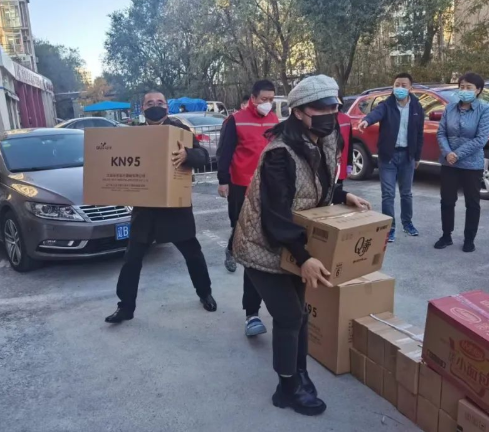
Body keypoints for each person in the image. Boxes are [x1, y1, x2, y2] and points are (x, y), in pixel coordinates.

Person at [233, 75, 371, 416]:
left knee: (300, 314)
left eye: (333, 107)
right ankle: (286, 388)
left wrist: (343, 195)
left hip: (292, 239)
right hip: (262, 245)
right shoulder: (279, 154)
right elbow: (275, 215)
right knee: (289, 315)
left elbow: (320, 184)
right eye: (320, 108)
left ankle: (300, 373)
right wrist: (304, 257)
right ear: (298, 112)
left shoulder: (327, 138)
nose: (329, 114)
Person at [105, 91, 218, 324]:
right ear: (142, 108)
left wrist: (187, 154)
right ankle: (125, 307)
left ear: (167, 107)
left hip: (175, 209)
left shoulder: (180, 131)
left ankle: (205, 293)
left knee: (193, 254)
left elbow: (203, 156)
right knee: (132, 259)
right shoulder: (133, 134)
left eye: (159, 102)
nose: (155, 106)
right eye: (150, 103)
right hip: (145, 209)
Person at [216, 80, 279, 337]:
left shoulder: (274, 119)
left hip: (268, 186)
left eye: (271, 99)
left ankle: (238, 249)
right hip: (241, 184)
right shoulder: (235, 120)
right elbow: (225, 152)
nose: (268, 103)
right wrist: (223, 180)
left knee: (261, 239)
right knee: (240, 227)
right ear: (253, 98)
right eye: (264, 99)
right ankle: (234, 249)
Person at [357, 72, 424, 242]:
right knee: (388, 194)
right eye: (397, 85)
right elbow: (375, 114)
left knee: (406, 193)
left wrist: (417, 157)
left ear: (410, 88)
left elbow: (419, 134)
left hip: (407, 156)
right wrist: (366, 121)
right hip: (388, 156)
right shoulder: (386, 105)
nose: (399, 88)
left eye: (403, 85)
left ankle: (407, 223)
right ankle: (390, 227)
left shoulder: (417, 108)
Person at [434, 72, 489, 253]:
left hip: (472, 164)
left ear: (478, 90)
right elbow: (441, 133)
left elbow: (481, 138)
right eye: (462, 87)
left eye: (469, 87)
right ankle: (446, 235)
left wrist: (457, 154)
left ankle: (469, 239)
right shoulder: (450, 108)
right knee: (447, 201)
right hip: (449, 163)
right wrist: (448, 153)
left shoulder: (484, 109)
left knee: (472, 203)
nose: (464, 90)